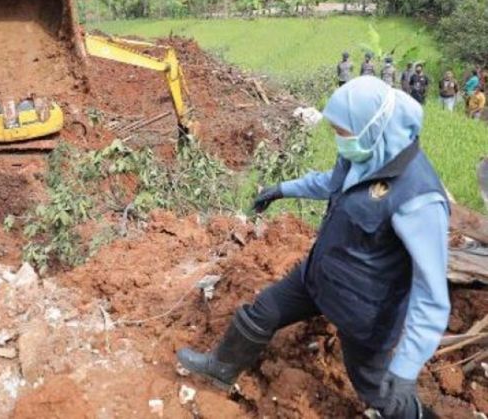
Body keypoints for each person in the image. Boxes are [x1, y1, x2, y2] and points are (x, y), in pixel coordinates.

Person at [177, 76, 448, 419]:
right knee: (264, 310)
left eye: (343, 132)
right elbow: (331, 183)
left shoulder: (420, 198)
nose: (339, 139)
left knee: (378, 390)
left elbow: (432, 296)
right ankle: (221, 367)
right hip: (318, 276)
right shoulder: (365, 150)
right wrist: (281, 188)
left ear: (373, 125)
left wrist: (407, 367)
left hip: (365, 309)